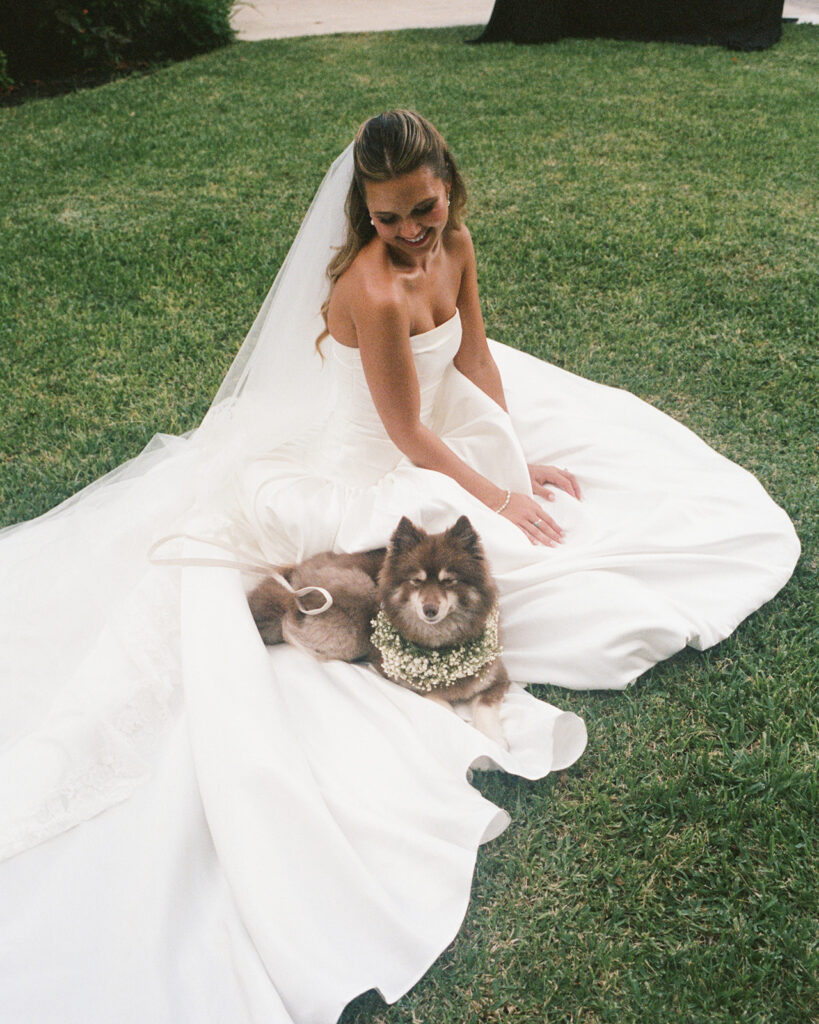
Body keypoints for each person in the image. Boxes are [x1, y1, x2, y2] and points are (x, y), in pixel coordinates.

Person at [0, 110, 799, 1024]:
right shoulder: (372, 291)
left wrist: (511, 455)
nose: (412, 231)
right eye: (389, 219)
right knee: (473, 564)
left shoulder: (455, 242)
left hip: (431, 429)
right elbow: (405, 433)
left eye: (422, 209)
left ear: (447, 188)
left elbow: (473, 358)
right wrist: (496, 501)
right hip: (357, 465)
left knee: (592, 512)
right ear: (364, 215)